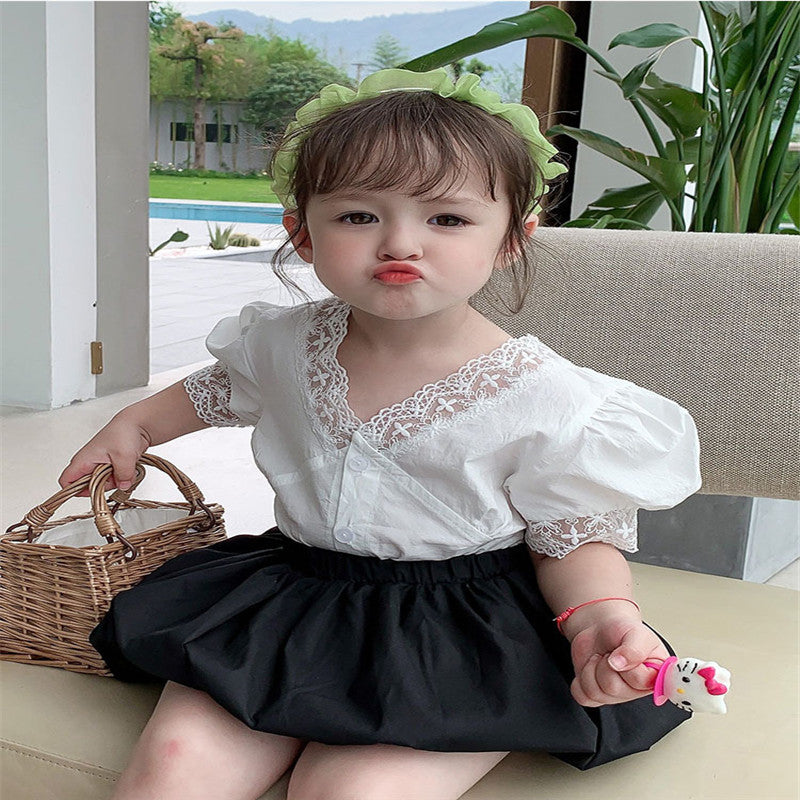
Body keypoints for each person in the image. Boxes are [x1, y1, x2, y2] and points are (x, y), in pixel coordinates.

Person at [59, 69, 702, 800]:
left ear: (512, 239)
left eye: (447, 219)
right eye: (358, 216)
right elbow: (212, 391)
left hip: (456, 635)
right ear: (302, 233)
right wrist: (133, 427)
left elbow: (573, 536)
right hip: (297, 602)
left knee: (352, 791)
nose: (400, 242)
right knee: (173, 771)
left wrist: (599, 619)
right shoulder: (284, 344)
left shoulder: (546, 398)